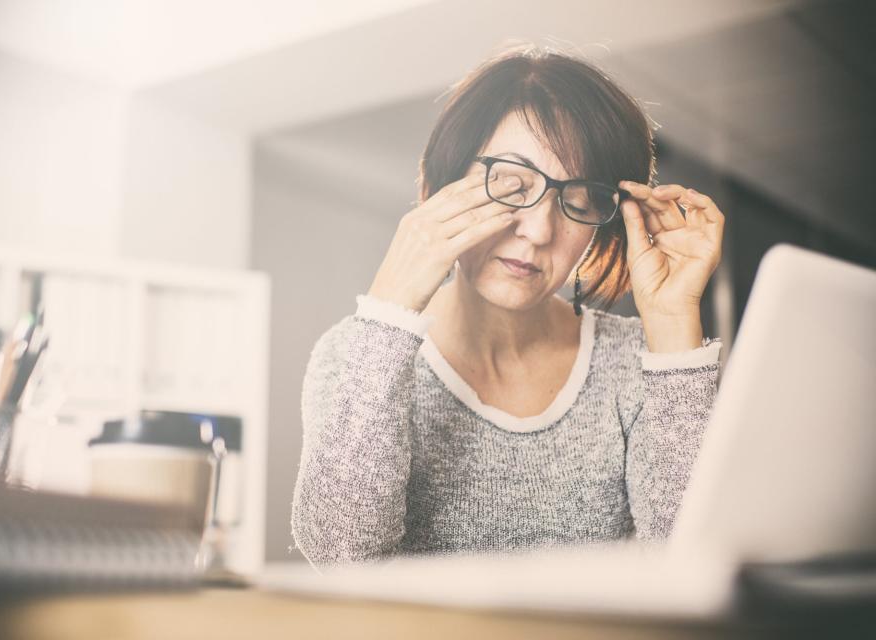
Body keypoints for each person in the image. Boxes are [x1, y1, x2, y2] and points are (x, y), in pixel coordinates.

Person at [291, 43, 725, 568]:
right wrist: (388, 311)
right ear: (442, 183)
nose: (540, 230)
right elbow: (341, 553)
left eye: (579, 201)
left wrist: (675, 328)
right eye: (511, 184)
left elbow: (693, 565)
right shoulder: (353, 354)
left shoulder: (639, 361)